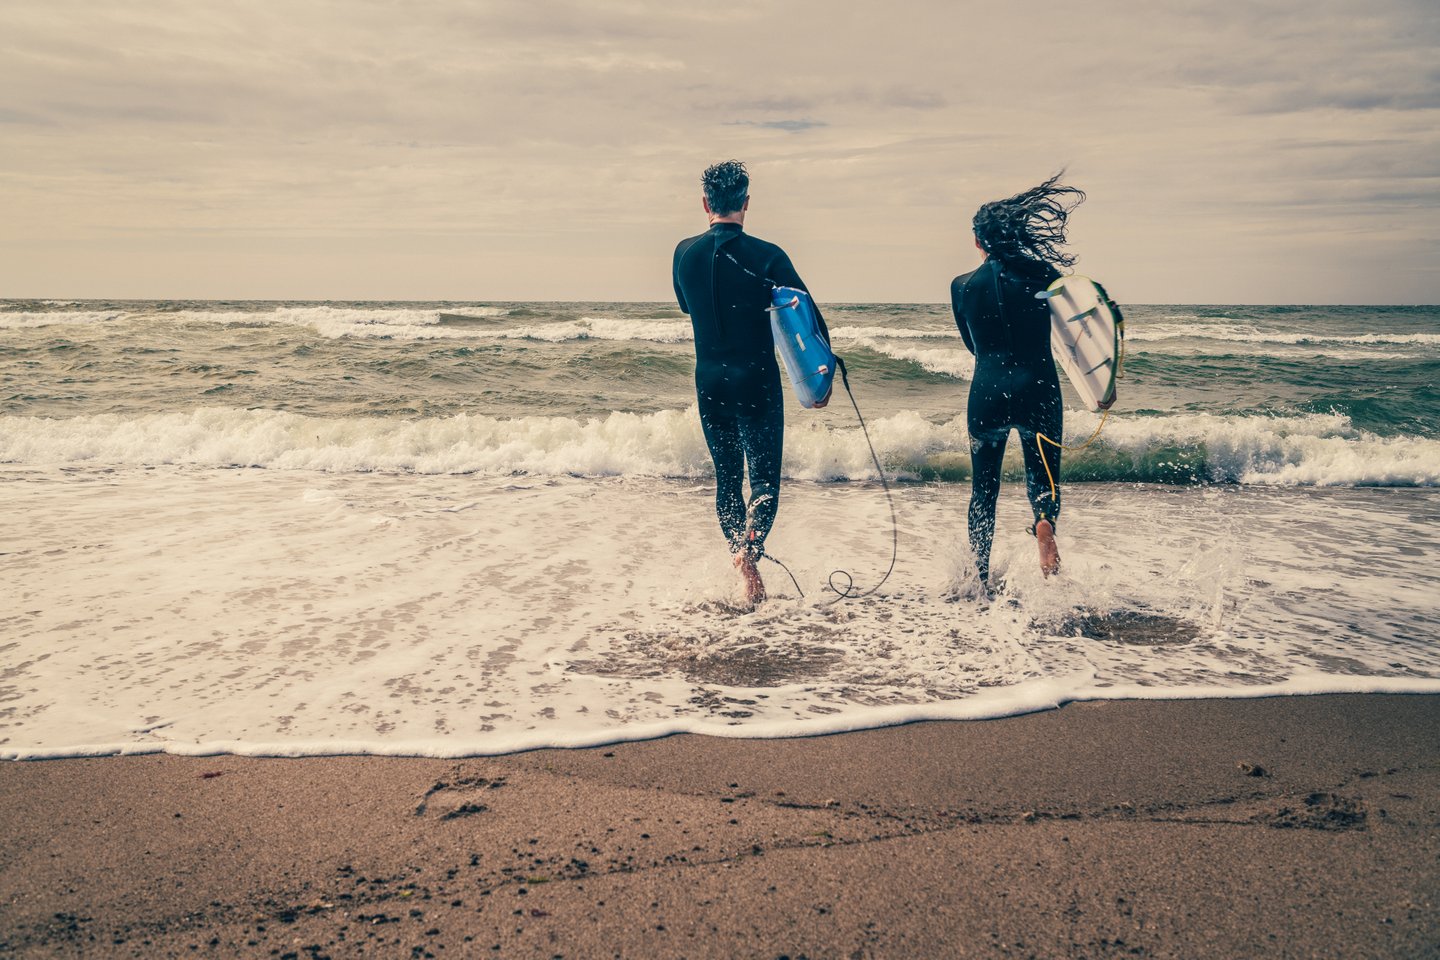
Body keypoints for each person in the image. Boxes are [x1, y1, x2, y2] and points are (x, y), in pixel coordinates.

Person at [672, 160, 829, 606]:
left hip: (709, 382)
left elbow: (686, 305)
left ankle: (740, 560)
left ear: (705, 203)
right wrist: (820, 379)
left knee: (727, 479)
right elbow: (808, 317)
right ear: (746, 202)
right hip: (756, 381)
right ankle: (751, 553)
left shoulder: (683, 253)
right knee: (763, 483)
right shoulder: (768, 255)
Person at [950, 173, 1086, 588]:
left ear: (978, 241)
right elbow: (1078, 334)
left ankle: (978, 577)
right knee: (1043, 479)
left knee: (983, 489)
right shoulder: (1043, 275)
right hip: (1038, 388)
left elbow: (972, 344)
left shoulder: (962, 286)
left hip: (986, 391)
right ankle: (1044, 525)